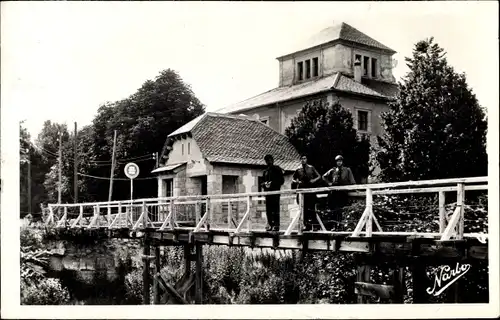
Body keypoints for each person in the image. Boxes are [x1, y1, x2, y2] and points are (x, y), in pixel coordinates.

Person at [322, 155, 356, 230]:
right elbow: (324, 177)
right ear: (336, 162)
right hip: (334, 193)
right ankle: (334, 226)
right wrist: (329, 183)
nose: (339, 162)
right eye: (337, 161)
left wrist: (354, 190)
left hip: (342, 193)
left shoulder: (347, 170)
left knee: (341, 210)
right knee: (333, 210)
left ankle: (340, 226)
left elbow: (352, 181)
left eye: (340, 161)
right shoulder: (333, 170)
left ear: (342, 162)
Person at [292, 155, 321, 231]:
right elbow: (293, 179)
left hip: (310, 191)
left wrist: (313, 180)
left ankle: (314, 226)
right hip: (302, 191)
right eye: (301, 159)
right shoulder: (298, 169)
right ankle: (306, 226)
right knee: (303, 209)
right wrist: (297, 181)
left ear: (307, 159)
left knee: (311, 208)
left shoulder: (311, 168)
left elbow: (319, 176)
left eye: (304, 158)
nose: (303, 160)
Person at [261, 154, 285, 231]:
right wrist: (265, 184)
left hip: (275, 193)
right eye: (267, 160)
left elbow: (281, 181)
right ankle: (270, 224)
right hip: (268, 194)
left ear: (273, 160)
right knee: (268, 210)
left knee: (275, 209)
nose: (269, 162)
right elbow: (261, 182)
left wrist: (272, 183)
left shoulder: (277, 169)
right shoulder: (265, 171)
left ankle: (276, 225)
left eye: (270, 160)